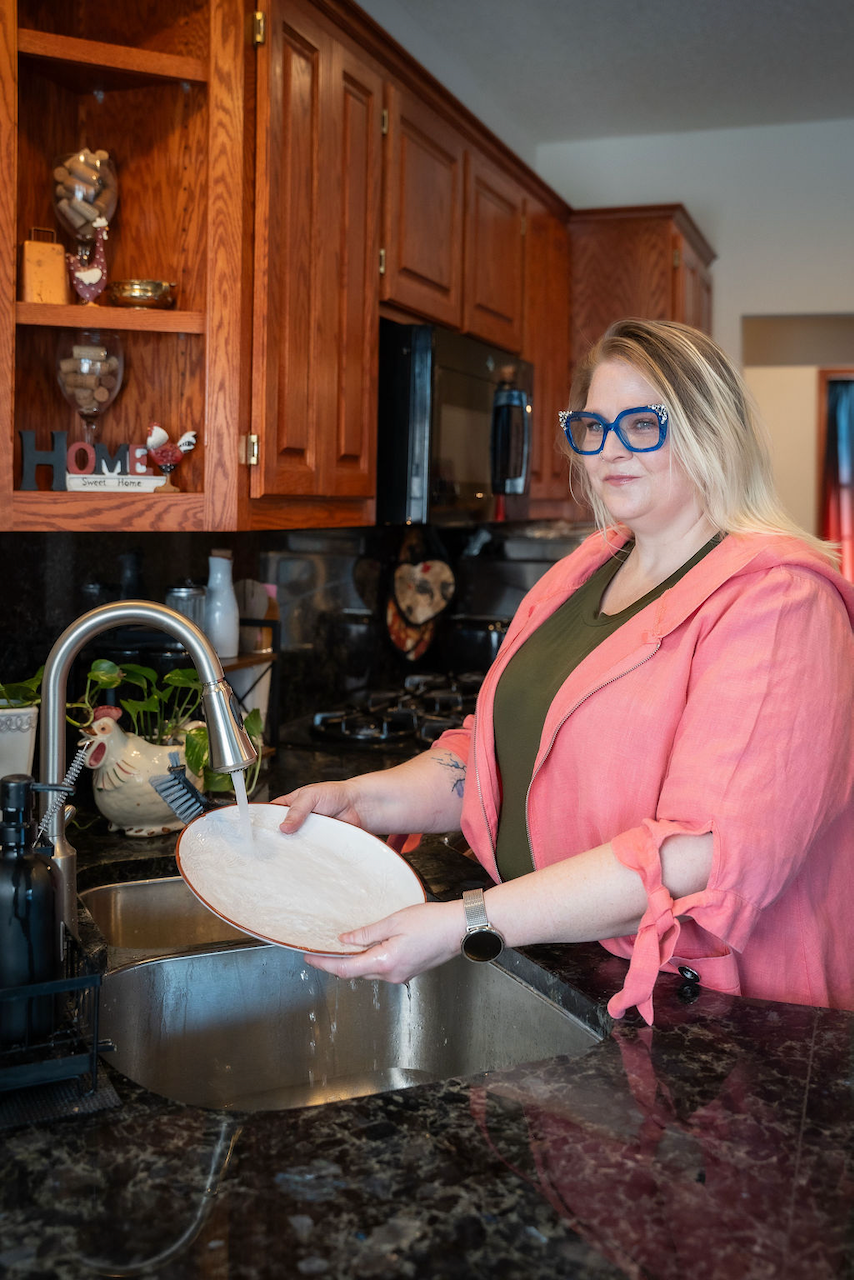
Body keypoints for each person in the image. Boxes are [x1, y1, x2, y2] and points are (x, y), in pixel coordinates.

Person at [274, 318, 854, 1024]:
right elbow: (495, 757)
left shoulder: (781, 602)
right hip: (566, 968)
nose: (611, 451)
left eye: (643, 424)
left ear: (712, 430)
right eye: (593, 426)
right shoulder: (584, 572)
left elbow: (700, 854)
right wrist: (362, 801)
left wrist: (468, 920)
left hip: (712, 1013)